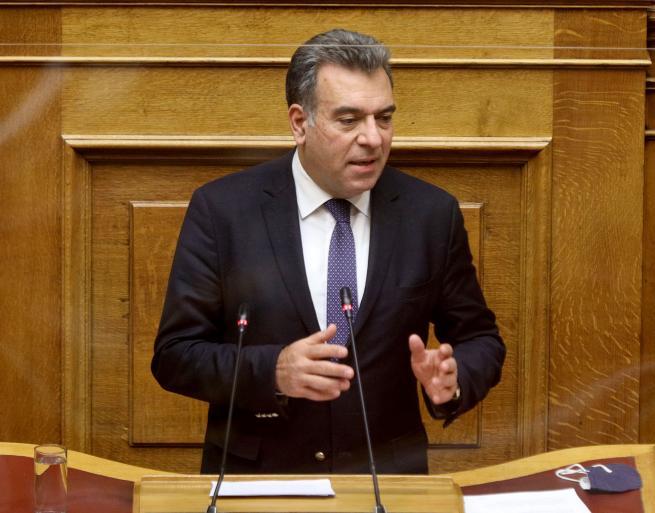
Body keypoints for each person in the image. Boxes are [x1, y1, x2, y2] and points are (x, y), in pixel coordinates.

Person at [152, 28, 505, 475]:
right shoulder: (223, 210)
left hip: (386, 481)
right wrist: (273, 370)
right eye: (349, 120)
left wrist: (453, 381)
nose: (373, 138)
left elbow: (480, 339)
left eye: (384, 118)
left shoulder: (430, 214)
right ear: (300, 123)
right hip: (261, 481)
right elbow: (176, 355)